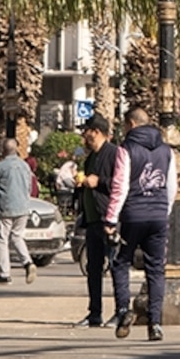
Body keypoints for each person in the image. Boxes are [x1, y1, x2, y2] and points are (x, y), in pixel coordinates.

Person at [104, 105, 176, 342]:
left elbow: (120, 186)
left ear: (131, 124)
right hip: (158, 216)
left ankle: (124, 310)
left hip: (133, 214)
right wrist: (164, 210)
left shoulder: (126, 149)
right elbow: (171, 186)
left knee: (121, 262)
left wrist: (111, 218)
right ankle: (155, 323)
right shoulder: (166, 150)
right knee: (156, 269)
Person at [68, 113, 116, 325]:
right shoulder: (90, 158)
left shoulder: (113, 154)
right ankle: (94, 312)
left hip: (108, 219)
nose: (83, 136)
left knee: (115, 266)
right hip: (92, 220)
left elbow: (121, 183)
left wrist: (99, 182)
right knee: (93, 268)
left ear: (95, 132)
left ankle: (120, 310)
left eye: (86, 132)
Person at [0, 134, 37, 285]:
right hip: (22, 207)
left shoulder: (1, 167)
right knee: (17, 236)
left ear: (3, 150)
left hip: (5, 208)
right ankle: (27, 262)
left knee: (1, 240)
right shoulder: (24, 165)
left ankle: (4, 274)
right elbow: (29, 185)